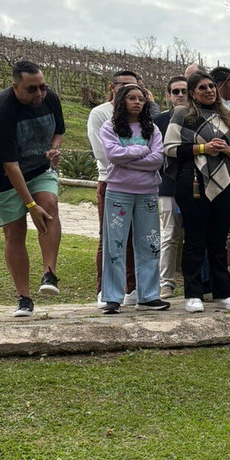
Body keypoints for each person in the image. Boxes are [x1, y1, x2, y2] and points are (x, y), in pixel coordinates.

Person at [0, 61, 65, 317]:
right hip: (4, 177)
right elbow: (10, 166)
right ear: (15, 86)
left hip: (38, 168)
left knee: (49, 205)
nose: (39, 94)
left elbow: (59, 130)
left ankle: (49, 273)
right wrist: (30, 205)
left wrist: (54, 147)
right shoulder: (0, 111)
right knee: (14, 232)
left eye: (42, 86)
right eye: (32, 90)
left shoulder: (49, 97)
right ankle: (24, 298)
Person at [163, 70, 230, 313]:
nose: (209, 90)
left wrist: (226, 151)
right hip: (193, 183)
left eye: (211, 86)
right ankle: (193, 293)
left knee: (219, 240)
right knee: (195, 240)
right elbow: (170, 148)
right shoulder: (182, 114)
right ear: (192, 93)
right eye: (202, 88)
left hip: (224, 183)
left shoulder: (225, 114)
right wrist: (203, 148)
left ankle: (224, 292)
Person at [97, 85, 169, 314]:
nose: (137, 102)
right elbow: (112, 155)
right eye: (131, 98)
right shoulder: (110, 127)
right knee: (115, 244)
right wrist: (142, 151)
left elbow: (157, 159)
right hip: (119, 192)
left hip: (148, 192)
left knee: (149, 243)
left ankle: (148, 295)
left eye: (141, 98)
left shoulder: (153, 129)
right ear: (121, 101)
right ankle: (112, 297)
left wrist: (128, 158)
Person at [88, 70, 142, 305]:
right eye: (126, 86)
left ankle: (132, 288)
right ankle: (104, 290)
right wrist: (140, 158)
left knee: (136, 238)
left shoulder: (142, 114)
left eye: (137, 88)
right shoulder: (100, 114)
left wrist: (130, 156)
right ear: (113, 87)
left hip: (140, 184)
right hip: (111, 181)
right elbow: (104, 154)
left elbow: (154, 148)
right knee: (110, 237)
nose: (133, 93)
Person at [153, 76, 189, 298]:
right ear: (168, 95)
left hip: (196, 184)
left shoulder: (199, 117)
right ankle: (166, 282)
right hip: (168, 185)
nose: (180, 95)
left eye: (184, 90)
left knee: (198, 234)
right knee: (170, 234)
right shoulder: (159, 121)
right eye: (175, 91)